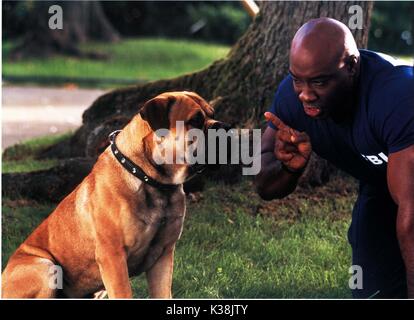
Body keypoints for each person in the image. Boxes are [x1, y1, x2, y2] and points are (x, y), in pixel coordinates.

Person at [254, 17, 414, 299]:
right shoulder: (292, 100)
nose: (305, 94)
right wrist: (288, 170)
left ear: (351, 66)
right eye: (297, 80)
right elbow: (264, 187)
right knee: (372, 291)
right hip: (381, 183)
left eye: (318, 82)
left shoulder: (397, 97)